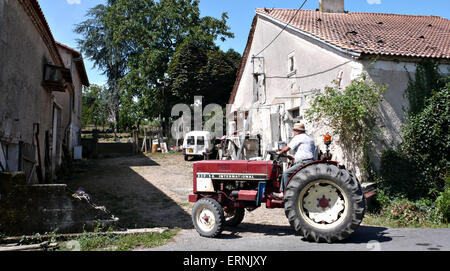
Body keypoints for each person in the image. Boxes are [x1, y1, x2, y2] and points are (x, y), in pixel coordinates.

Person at [273, 123, 316, 199]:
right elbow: (305, 151)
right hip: (309, 161)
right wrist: (293, 157)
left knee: (286, 173)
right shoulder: (309, 138)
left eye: (294, 131)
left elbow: (287, 148)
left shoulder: (298, 137)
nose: (293, 132)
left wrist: (279, 153)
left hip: (303, 162)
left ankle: (285, 193)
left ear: (298, 131)